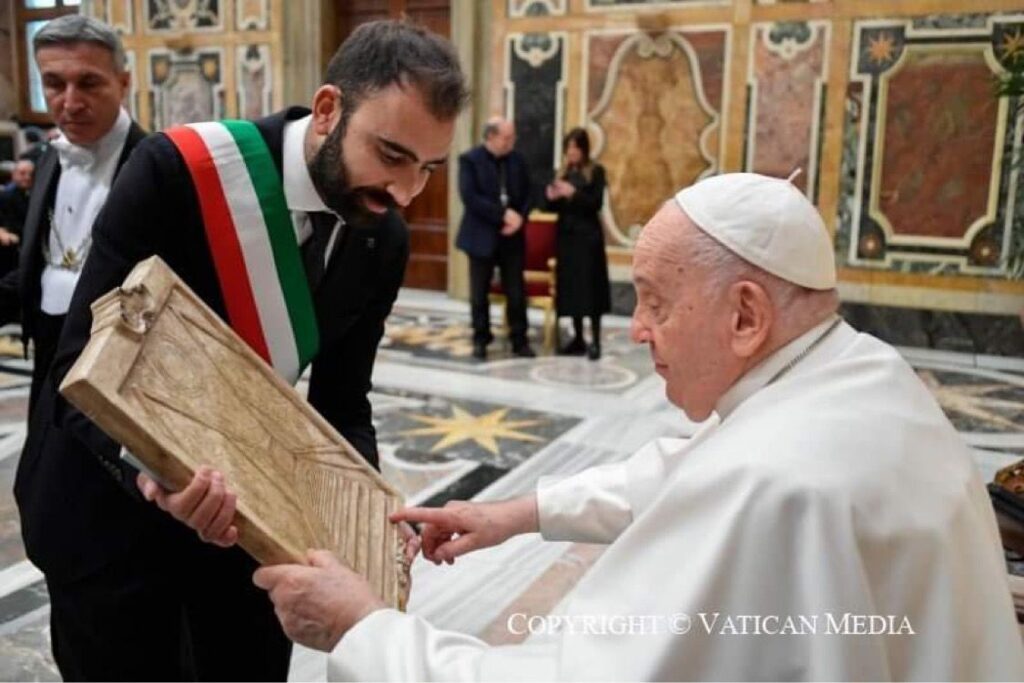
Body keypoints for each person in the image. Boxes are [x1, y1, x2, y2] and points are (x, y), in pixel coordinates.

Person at [244, 173, 1024, 680]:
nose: (636, 329)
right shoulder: (859, 372)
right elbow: (688, 465)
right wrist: (515, 513)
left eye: (653, 299)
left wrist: (365, 628)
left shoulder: (772, 481)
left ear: (746, 314)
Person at [23, 20, 468, 681]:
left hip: (245, 530)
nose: (405, 192)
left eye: (428, 168)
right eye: (392, 155)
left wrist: (369, 518)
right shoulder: (178, 172)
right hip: (105, 517)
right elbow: (75, 365)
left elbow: (343, 401)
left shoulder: (383, 239)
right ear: (327, 110)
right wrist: (157, 471)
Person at [455, 116, 535, 360]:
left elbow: (530, 193)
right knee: (479, 294)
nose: (512, 141)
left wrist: (520, 218)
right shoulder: (470, 160)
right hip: (481, 236)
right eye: (506, 137)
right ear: (490, 137)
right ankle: (481, 338)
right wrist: (503, 215)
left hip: (512, 237)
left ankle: (519, 340)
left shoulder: (518, 160)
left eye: (512, 137)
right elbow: (470, 197)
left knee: (516, 292)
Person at [544, 127, 610, 360]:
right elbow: (552, 209)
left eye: (575, 147)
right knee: (572, 289)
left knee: (590, 290)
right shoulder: (562, 172)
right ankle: (578, 338)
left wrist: (573, 193)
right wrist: (551, 197)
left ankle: (595, 341)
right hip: (567, 238)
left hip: (588, 239)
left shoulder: (596, 171)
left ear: (583, 149)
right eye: (568, 147)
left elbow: (595, 203)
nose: (571, 152)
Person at [0, 158, 34, 277]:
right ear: (14, 174)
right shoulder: (4, 196)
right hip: (10, 248)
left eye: (30, 174)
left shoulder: (38, 197)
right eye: (22, 173)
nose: (27, 177)